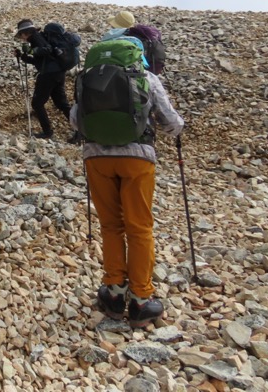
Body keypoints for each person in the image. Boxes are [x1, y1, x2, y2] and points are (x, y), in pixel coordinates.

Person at [70, 63, 184, 328]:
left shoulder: (88, 76)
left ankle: (113, 292)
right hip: (137, 158)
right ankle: (141, 299)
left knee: (110, 226)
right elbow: (171, 121)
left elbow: (75, 119)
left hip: (96, 158)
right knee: (139, 228)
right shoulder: (146, 77)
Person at [14, 19, 77, 141]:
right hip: (58, 72)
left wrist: (31, 51)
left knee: (37, 103)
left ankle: (47, 132)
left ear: (26, 32)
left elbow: (47, 49)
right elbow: (41, 60)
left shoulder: (36, 38)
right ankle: (81, 131)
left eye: (21, 35)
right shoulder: (38, 38)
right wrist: (23, 56)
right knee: (61, 103)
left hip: (49, 74)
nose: (21, 38)